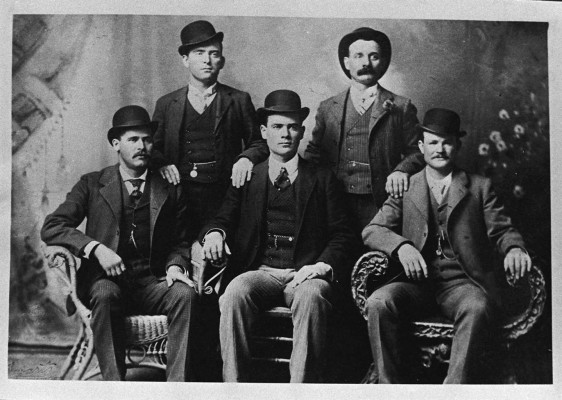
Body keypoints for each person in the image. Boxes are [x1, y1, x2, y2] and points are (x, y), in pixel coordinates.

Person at [362, 108, 532, 383]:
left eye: (447, 142)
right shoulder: (406, 187)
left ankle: (453, 391)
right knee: (379, 302)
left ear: (457, 145)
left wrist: (514, 248)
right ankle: (388, 388)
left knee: (477, 307)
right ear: (421, 147)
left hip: (462, 284)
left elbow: (503, 230)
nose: (439, 149)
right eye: (432, 142)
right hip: (415, 285)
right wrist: (402, 247)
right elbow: (373, 230)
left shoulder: (479, 187)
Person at [200, 90, 356, 382]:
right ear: (264, 131)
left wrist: (320, 266)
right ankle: (234, 389)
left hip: (305, 273)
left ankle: (300, 390)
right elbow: (222, 218)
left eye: (292, 126)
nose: (285, 134)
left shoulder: (322, 179)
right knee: (234, 292)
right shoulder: (248, 177)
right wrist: (214, 235)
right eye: (277, 126)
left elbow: (343, 234)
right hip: (261, 272)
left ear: (301, 131)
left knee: (313, 295)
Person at [41, 105, 198, 381]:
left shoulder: (169, 188)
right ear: (116, 144)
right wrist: (96, 249)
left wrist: (176, 267)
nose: (142, 146)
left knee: (185, 294)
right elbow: (53, 226)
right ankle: (115, 388)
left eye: (147, 139)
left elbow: (181, 241)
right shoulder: (92, 184)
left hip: (154, 282)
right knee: (103, 293)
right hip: (107, 281)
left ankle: (178, 388)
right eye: (133, 139)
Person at [304, 27, 424, 234]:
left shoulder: (401, 106)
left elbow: (417, 152)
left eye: (374, 56)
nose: (366, 63)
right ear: (346, 62)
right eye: (358, 56)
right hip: (335, 201)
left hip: (381, 202)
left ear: (383, 62)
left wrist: (401, 170)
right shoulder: (327, 107)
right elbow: (314, 154)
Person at [152, 19, 268, 229]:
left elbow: (259, 144)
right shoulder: (167, 104)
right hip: (178, 199)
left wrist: (246, 158)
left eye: (214, 54)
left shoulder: (239, 100)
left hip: (225, 199)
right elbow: (151, 148)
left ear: (221, 61)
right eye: (199, 53)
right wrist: (162, 163)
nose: (207, 60)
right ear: (185, 60)